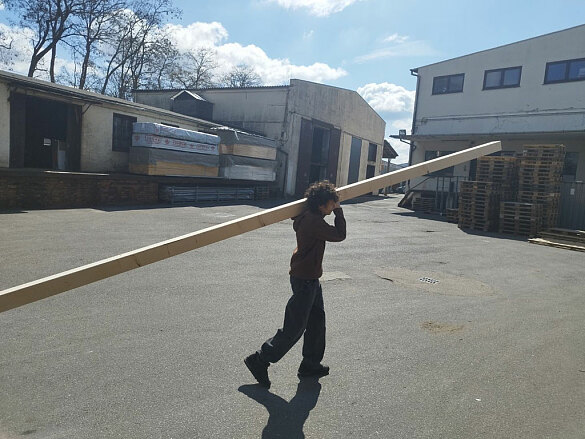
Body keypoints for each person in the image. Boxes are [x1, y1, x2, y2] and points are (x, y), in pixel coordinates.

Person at [245, 180, 347, 388]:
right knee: (295, 327)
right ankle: (260, 359)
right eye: (332, 203)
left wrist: (334, 208)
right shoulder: (313, 222)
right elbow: (339, 235)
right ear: (321, 204)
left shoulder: (311, 216)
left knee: (316, 323)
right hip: (305, 280)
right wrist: (339, 212)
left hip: (310, 278)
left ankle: (310, 364)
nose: (333, 206)